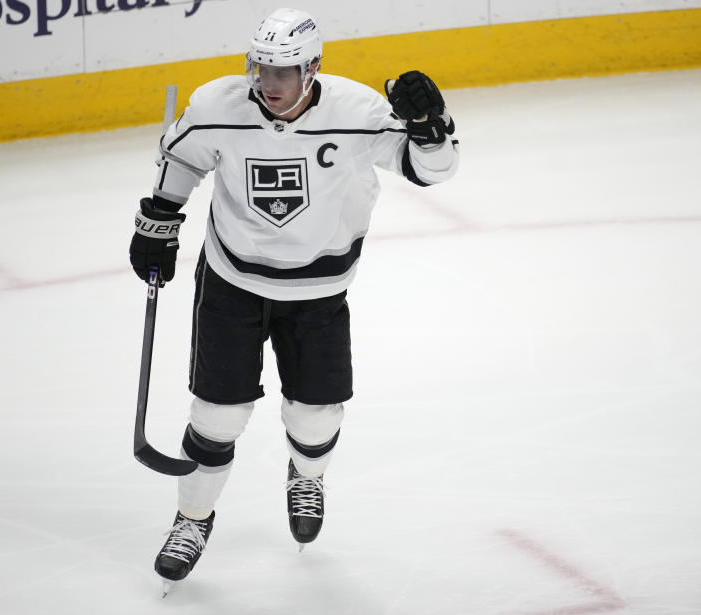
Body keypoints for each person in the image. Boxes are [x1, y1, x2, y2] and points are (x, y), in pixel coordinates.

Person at [128, 7, 460, 587]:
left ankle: (306, 476)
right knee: (217, 415)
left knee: (315, 417)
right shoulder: (216, 106)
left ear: (313, 69)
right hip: (233, 281)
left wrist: (433, 126)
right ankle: (192, 517)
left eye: (284, 71)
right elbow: (182, 158)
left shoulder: (357, 112)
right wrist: (158, 220)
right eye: (261, 68)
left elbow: (432, 170)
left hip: (320, 290)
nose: (270, 83)